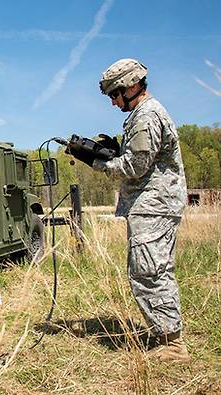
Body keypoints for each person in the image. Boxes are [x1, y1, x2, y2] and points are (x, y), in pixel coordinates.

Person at [93, 58, 189, 362]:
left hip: (154, 205)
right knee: (153, 268)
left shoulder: (146, 116)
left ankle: (172, 343)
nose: (112, 102)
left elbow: (136, 165)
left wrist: (100, 163)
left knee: (149, 270)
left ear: (131, 86)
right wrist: (116, 149)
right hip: (155, 204)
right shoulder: (142, 113)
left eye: (114, 95)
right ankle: (165, 332)